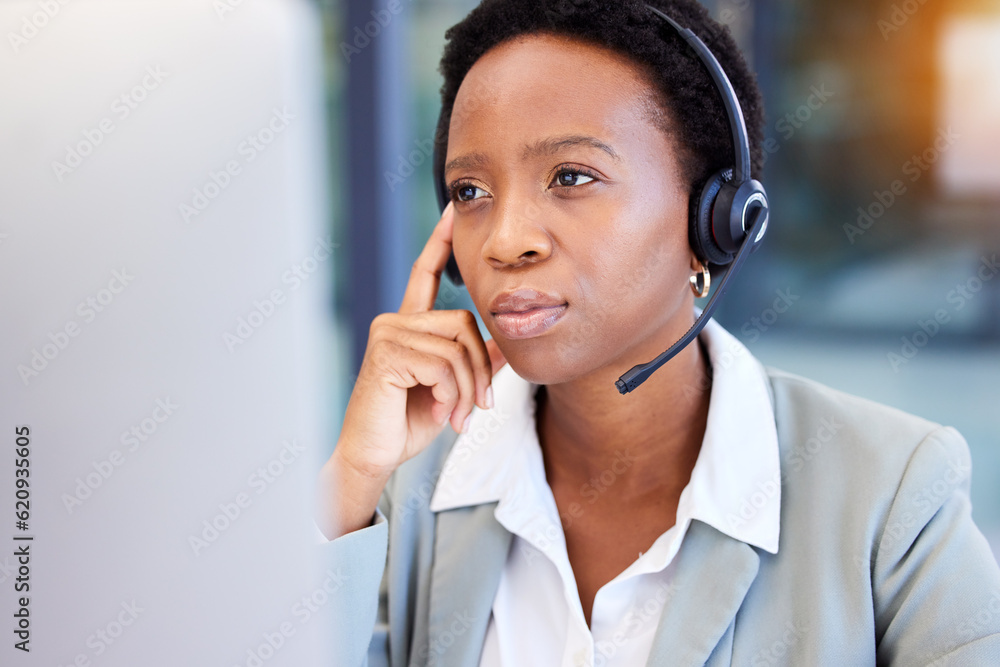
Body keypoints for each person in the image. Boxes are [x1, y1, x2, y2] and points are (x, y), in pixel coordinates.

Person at [315, 1, 1000, 665]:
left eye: (572, 176)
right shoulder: (406, 497)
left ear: (715, 220)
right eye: (469, 191)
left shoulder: (891, 495)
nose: (505, 240)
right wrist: (352, 475)